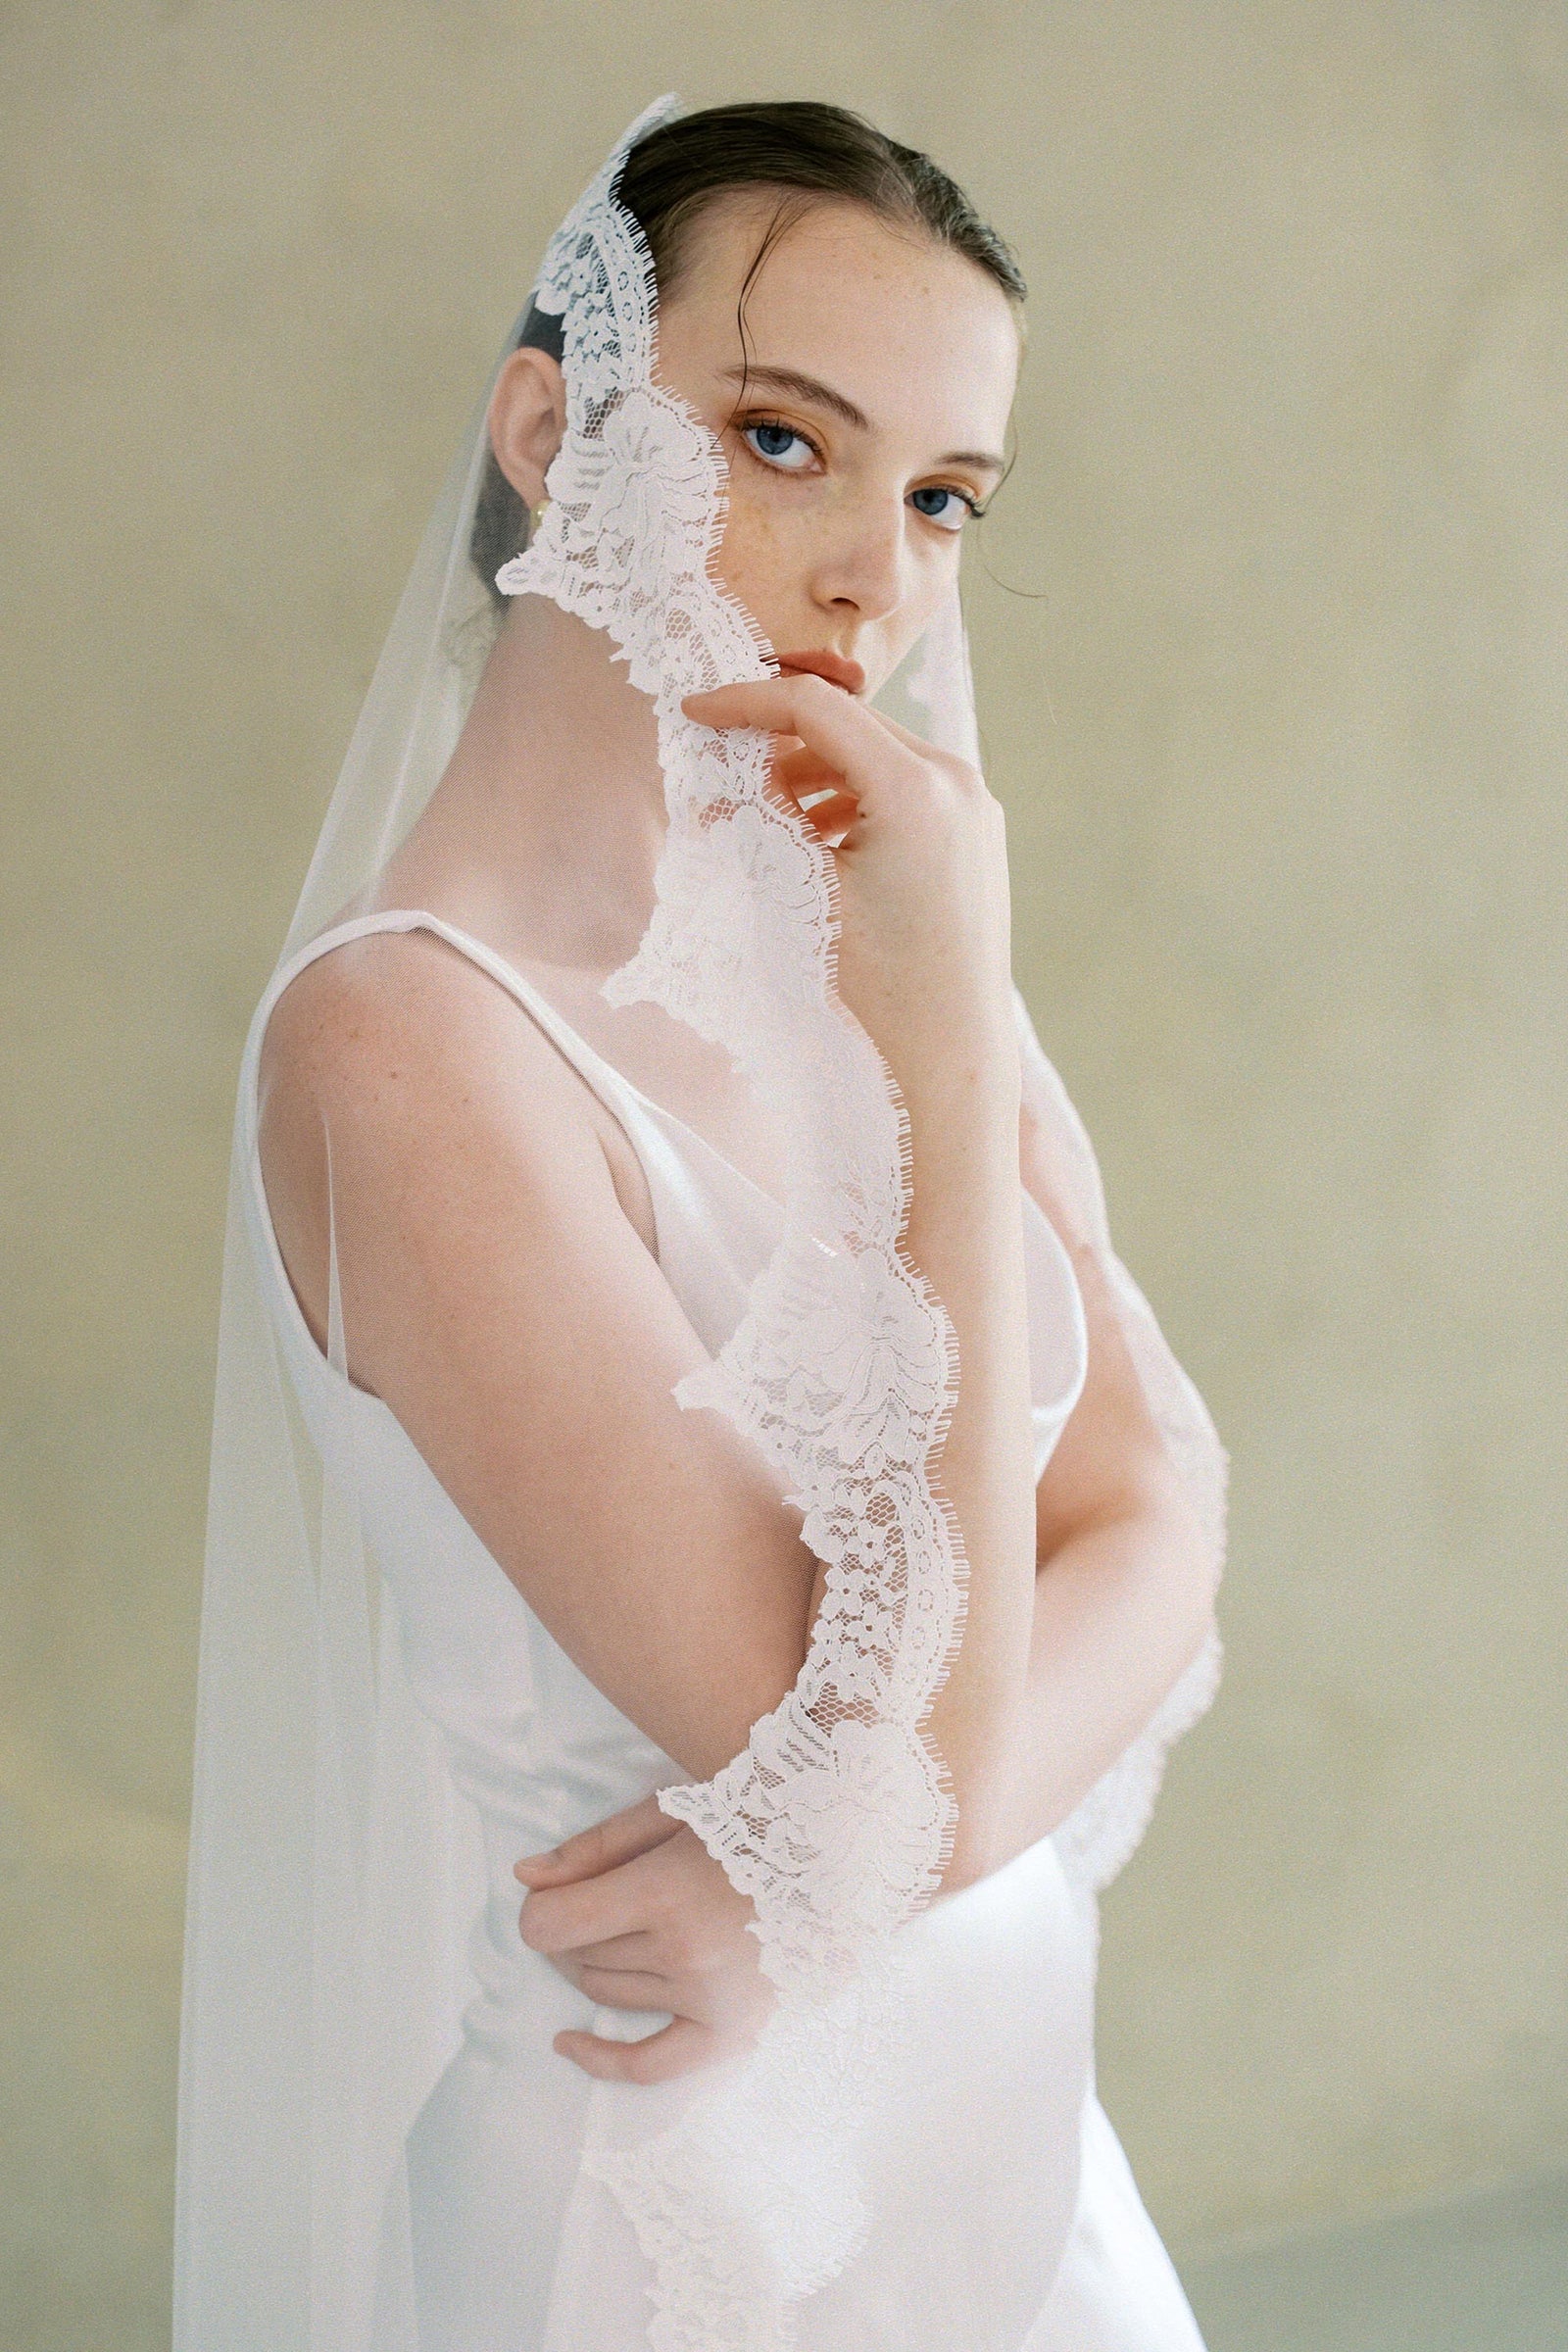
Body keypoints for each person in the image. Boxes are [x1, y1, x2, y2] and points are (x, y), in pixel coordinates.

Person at [174, 97, 1226, 2352]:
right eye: (778, 441)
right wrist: (940, 1052)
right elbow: (859, 1750)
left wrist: (820, 1888)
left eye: (943, 497)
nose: (878, 574)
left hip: (1021, 2178)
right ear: (551, 431)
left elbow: (1161, 1516)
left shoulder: (864, 923)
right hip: (672, 2230)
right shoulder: (406, 1054)